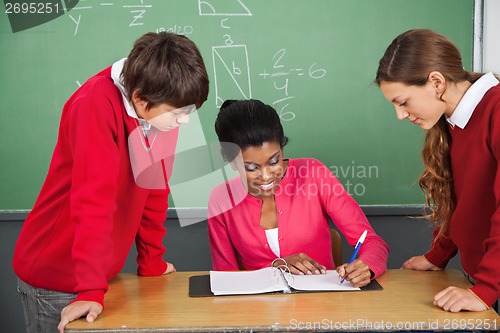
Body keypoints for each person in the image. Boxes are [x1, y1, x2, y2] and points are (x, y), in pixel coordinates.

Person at [13, 31, 209, 333]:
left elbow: (155, 189)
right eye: (179, 113)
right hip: (58, 275)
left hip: (98, 277)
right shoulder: (94, 103)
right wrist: (90, 289)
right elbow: (93, 202)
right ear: (140, 100)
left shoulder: (162, 109)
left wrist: (152, 260)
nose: (184, 121)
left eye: (189, 112)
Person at [376, 29, 500, 312]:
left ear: (436, 82)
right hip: (484, 280)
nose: (400, 115)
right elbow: (464, 199)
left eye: (403, 102)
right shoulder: (453, 121)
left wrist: (487, 289)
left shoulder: (496, 110)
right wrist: (438, 255)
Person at [207, 99, 389, 287]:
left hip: (322, 307)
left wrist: (366, 266)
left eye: (273, 161)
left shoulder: (313, 173)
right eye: (251, 168)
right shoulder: (221, 199)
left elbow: (372, 242)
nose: (266, 176)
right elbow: (225, 278)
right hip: (256, 311)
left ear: (282, 148)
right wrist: (277, 266)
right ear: (229, 160)